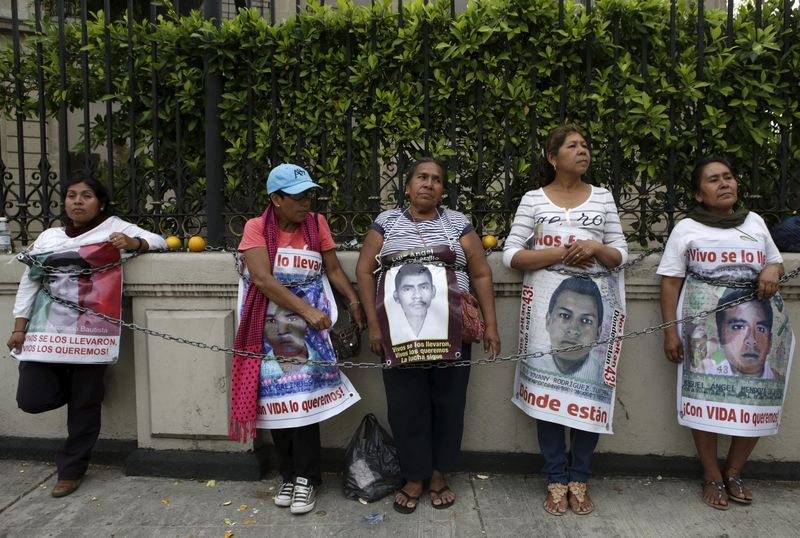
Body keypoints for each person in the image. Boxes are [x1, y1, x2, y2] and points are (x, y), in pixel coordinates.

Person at [5, 176, 166, 498]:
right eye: (71, 196)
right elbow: (30, 281)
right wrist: (18, 326)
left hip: (92, 333)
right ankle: (85, 396)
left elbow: (159, 241)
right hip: (45, 333)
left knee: (84, 407)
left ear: (101, 203)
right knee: (32, 399)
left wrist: (133, 244)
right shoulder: (49, 236)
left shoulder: (113, 228)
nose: (77, 201)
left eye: (86, 196)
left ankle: (71, 470)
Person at [356, 157, 501, 514]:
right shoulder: (386, 223)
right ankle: (414, 476)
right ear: (407, 186)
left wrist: (491, 324)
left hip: (453, 333)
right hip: (399, 335)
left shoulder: (457, 224)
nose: (429, 184)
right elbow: (362, 270)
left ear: (442, 188)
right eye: (422, 177)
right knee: (407, 407)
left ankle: (437, 474)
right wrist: (374, 326)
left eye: (436, 179)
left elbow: (481, 273)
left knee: (449, 404)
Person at [503, 125, 627, 516]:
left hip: (595, 314)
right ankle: (556, 479)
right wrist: (558, 254)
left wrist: (595, 247)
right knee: (549, 396)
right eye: (572, 146)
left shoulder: (603, 198)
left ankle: (580, 478)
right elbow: (511, 255)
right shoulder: (533, 200)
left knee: (588, 395)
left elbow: (620, 253)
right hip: (547, 311)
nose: (582, 150)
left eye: (586, 145)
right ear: (552, 157)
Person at [230, 163, 365, 516]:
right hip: (276, 324)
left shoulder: (315, 224)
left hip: (310, 326)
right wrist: (304, 311)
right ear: (275, 199)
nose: (307, 202)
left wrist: (352, 300)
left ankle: (307, 477)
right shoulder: (256, 228)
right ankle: (289, 473)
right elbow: (262, 279)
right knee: (280, 400)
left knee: (304, 401)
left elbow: (332, 268)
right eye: (298, 196)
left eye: (310, 194)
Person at [658, 156, 784, 510]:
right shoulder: (686, 229)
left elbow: (774, 259)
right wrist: (670, 333)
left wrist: (772, 269)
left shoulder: (754, 222)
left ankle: (735, 471)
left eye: (728, 177)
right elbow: (669, 283)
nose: (724, 183)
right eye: (714, 180)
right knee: (705, 401)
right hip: (705, 331)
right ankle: (712, 474)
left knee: (755, 399)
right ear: (699, 194)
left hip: (758, 325)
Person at [537, 276, 604, 380]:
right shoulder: (530, 360)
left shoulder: (603, 376)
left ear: (598, 333)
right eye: (564, 316)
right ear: (548, 320)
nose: (573, 330)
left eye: (586, 321)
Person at [713, 289, 780, 379]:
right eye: (738, 327)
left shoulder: (783, 382)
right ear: (719, 337)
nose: (751, 340)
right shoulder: (703, 376)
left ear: (770, 342)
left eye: (760, 329)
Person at [389, 263, 445, 341]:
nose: (417, 295)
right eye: (407, 289)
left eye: (424, 287)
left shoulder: (447, 324)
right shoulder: (388, 328)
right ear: (396, 296)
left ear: (433, 291)